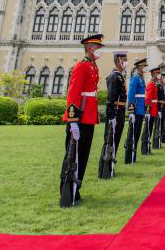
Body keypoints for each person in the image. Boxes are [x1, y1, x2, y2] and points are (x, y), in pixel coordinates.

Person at [61, 34, 102, 204]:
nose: (100, 51)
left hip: (89, 117)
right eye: (98, 47)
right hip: (80, 117)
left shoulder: (93, 67)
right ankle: (66, 191)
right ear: (90, 48)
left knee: (83, 155)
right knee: (72, 156)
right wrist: (73, 121)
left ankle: (76, 190)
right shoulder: (81, 66)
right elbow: (73, 95)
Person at [98, 51, 127, 179]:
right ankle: (104, 168)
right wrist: (111, 117)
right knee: (109, 141)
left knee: (115, 141)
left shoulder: (120, 76)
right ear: (118, 60)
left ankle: (110, 166)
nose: (125, 62)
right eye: (124, 59)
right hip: (115, 112)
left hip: (120, 111)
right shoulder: (114, 77)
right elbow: (110, 99)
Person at [124, 58, 147, 164]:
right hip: (136, 109)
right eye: (143, 66)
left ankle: (134, 155)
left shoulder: (141, 78)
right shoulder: (135, 78)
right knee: (132, 134)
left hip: (141, 109)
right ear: (139, 67)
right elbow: (131, 94)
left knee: (137, 134)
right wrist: (131, 111)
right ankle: (128, 157)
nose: (144, 68)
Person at [143, 64, 161, 155]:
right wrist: (147, 110)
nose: (158, 76)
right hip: (150, 109)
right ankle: (145, 148)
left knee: (150, 129)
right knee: (148, 129)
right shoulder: (150, 84)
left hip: (154, 109)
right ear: (153, 74)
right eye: (157, 74)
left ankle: (147, 147)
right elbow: (148, 98)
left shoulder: (153, 84)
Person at [156, 73, 165, 146]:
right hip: (159, 106)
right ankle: (157, 140)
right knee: (159, 124)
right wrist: (158, 109)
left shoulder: (162, 87)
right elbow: (156, 98)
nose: (164, 80)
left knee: (162, 123)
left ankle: (161, 139)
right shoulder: (157, 86)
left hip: (162, 106)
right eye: (163, 78)